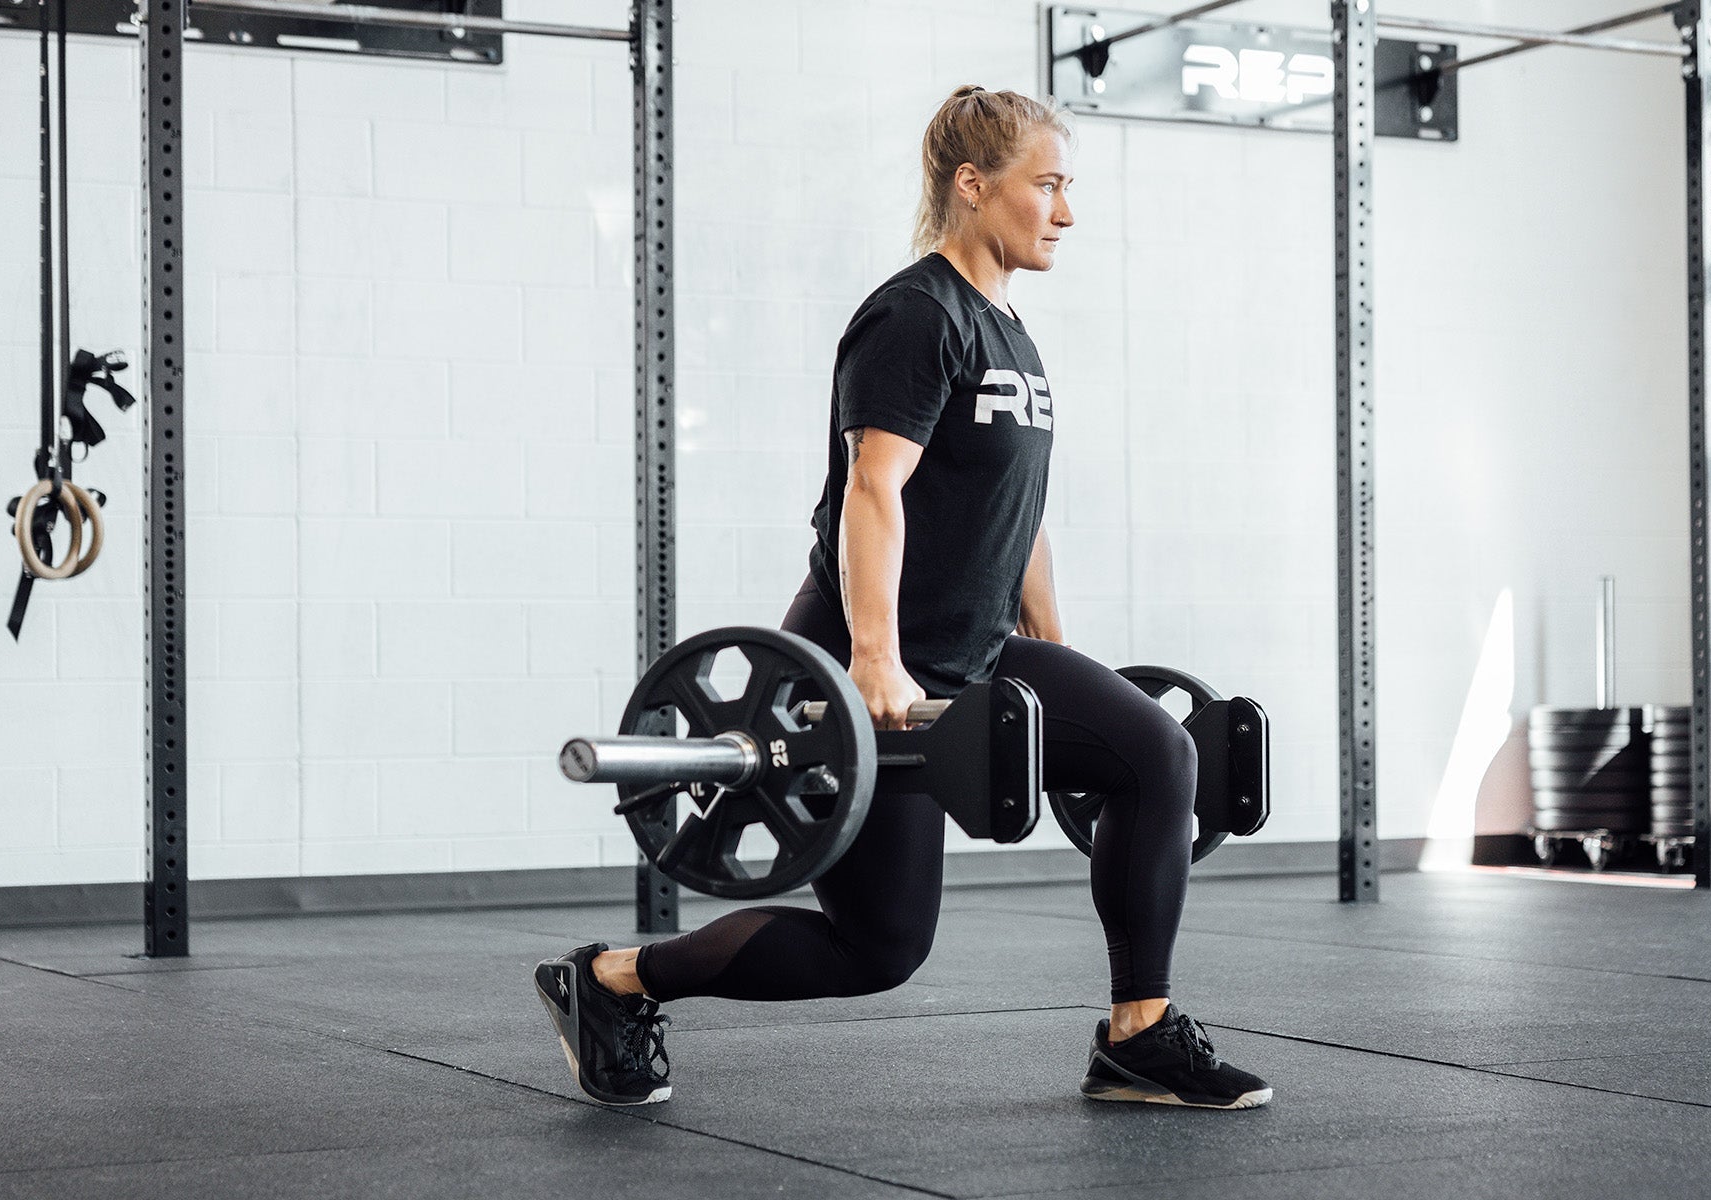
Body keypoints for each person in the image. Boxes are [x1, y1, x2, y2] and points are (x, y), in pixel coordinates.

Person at [535, 85, 1271, 1111]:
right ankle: (612, 980)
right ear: (973, 187)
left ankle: (1136, 1036)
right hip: (863, 669)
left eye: (1068, 189)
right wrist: (873, 659)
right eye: (1047, 186)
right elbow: (871, 488)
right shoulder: (915, 315)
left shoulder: (1009, 331)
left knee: (1158, 749)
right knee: (877, 950)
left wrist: (1060, 647)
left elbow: (1020, 507)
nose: (1065, 212)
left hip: (973, 656)